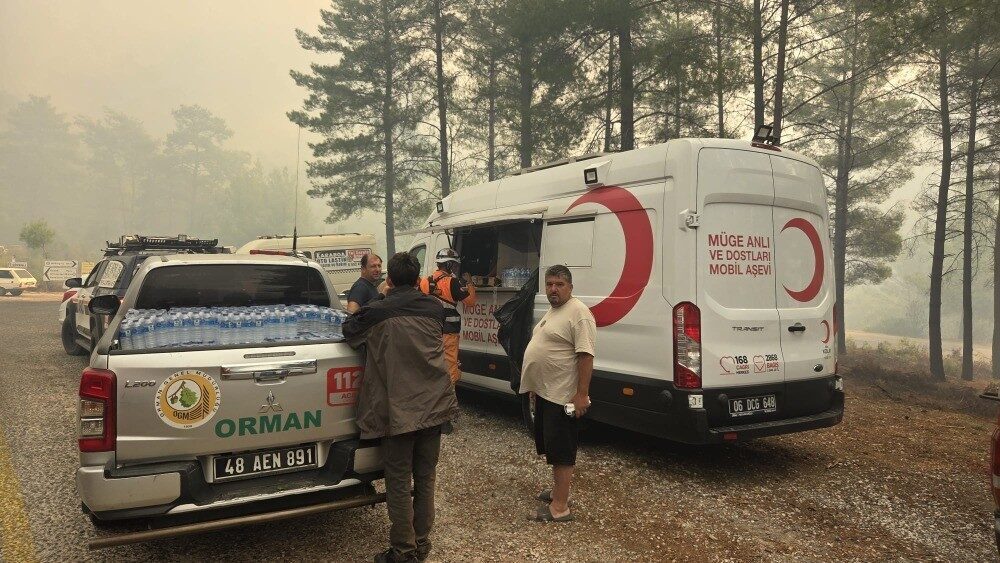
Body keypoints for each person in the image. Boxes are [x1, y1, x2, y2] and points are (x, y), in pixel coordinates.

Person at [343, 252, 459, 563]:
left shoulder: (377, 310)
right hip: (434, 404)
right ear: (417, 277)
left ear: (389, 279)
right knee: (425, 477)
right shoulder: (435, 307)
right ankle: (420, 544)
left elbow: (348, 330)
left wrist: (380, 297)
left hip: (399, 411)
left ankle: (403, 551)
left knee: (397, 480)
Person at [518, 264, 596, 523]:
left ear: (570, 287)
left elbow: (585, 356)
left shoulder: (579, 312)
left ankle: (560, 508)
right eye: (549, 283)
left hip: (563, 396)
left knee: (562, 450)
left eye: (559, 284)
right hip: (546, 392)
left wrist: (581, 395)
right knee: (552, 446)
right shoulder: (554, 310)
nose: (553, 289)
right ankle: (557, 492)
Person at [418, 248, 476, 384]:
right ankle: (449, 399)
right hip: (448, 332)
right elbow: (471, 302)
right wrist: (470, 283)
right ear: (449, 265)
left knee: (432, 365)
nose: (455, 268)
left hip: (429, 332)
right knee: (450, 366)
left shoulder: (425, 282)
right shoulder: (452, 282)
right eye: (454, 265)